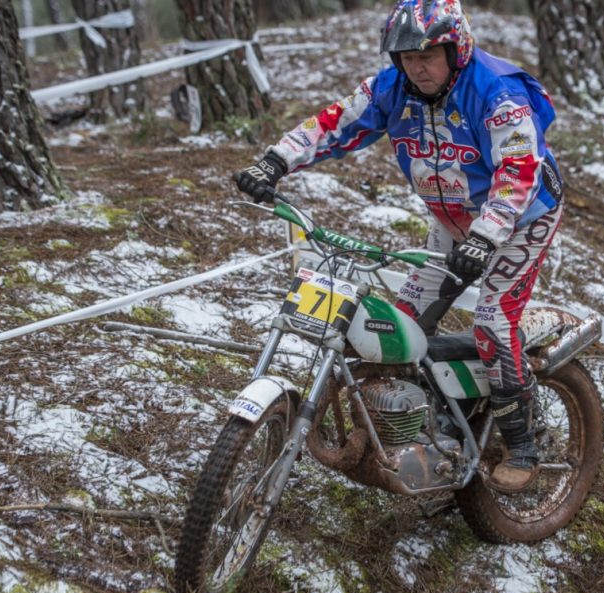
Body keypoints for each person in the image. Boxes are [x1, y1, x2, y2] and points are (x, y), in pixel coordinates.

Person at [236, 0, 565, 492]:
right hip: (452, 219)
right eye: (406, 58)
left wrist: (485, 237)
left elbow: (518, 171)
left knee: (493, 323)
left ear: (457, 49)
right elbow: (335, 122)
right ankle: (432, 418)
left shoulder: (497, 92)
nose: (417, 68)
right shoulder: (394, 89)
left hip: (522, 219)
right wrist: (275, 161)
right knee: (402, 324)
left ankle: (523, 445)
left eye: (428, 56)